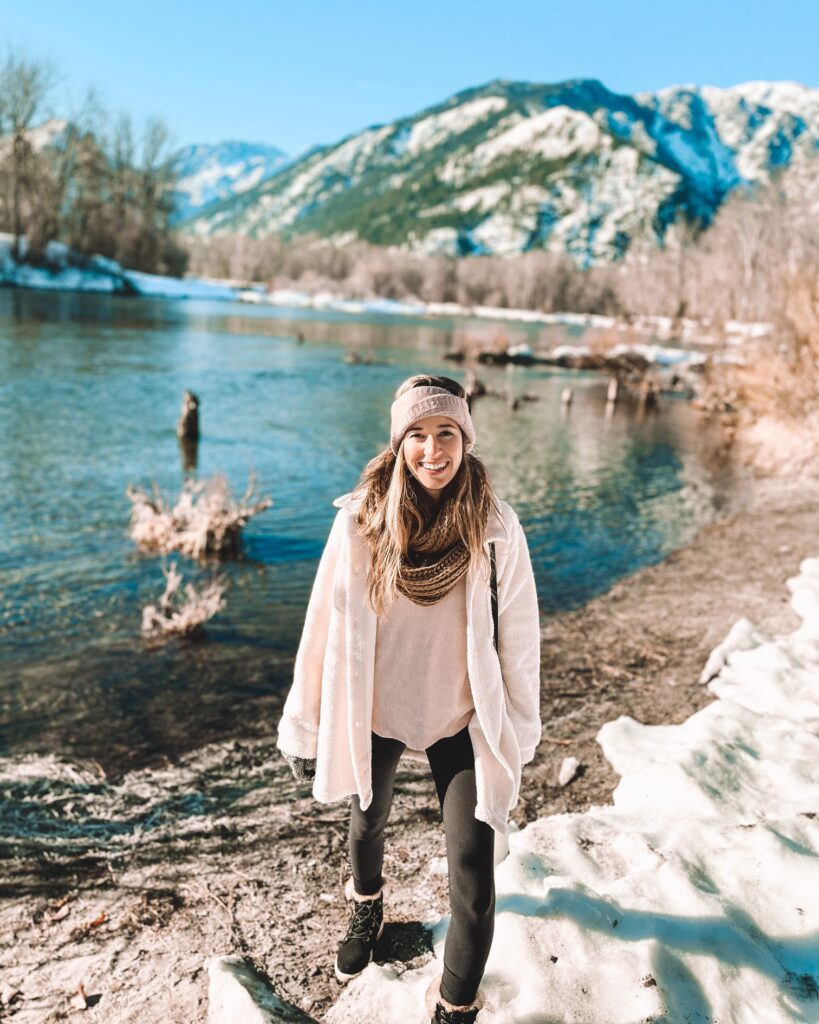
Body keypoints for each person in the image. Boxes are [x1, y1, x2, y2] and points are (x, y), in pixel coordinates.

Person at [276, 374, 541, 1024]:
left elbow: (521, 635)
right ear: (399, 444)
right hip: (380, 709)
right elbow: (320, 628)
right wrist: (303, 725)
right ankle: (367, 904)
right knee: (367, 822)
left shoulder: (495, 526)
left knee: (473, 878)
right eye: (417, 435)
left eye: (445, 432)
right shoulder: (361, 520)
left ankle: (454, 1005)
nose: (432, 449)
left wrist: (518, 729)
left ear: (464, 438)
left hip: (461, 717)